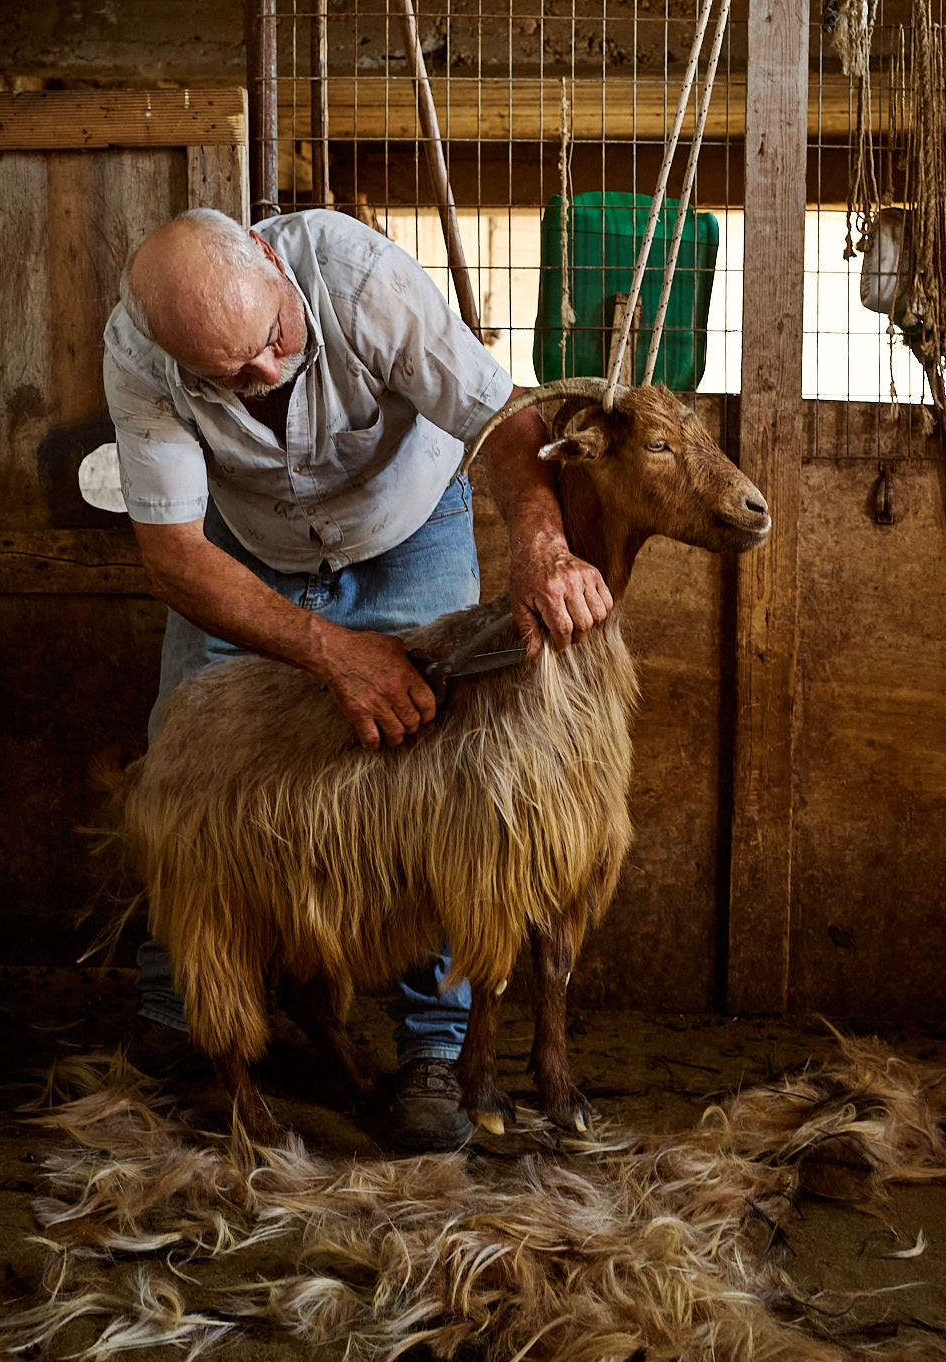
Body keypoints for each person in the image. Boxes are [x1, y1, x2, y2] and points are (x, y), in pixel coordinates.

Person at [104, 205, 613, 1149]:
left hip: (405, 525)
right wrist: (332, 653)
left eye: (271, 342)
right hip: (244, 553)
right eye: (227, 376)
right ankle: (184, 1014)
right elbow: (173, 554)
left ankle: (434, 1045)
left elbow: (501, 415)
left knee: (452, 776)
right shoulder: (142, 355)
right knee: (182, 755)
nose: (261, 375)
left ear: (269, 263)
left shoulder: (356, 275)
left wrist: (541, 545)